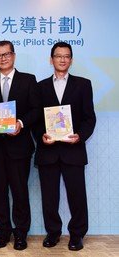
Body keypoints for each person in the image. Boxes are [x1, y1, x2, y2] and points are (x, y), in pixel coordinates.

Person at [0, 40, 40, 250]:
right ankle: (3, 232)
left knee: (20, 192)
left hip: (19, 147)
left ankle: (21, 233)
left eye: (6, 54)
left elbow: (36, 110)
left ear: (13, 56)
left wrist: (20, 123)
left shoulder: (28, 80)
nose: (3, 58)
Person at [34, 42, 96, 251]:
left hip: (73, 150)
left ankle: (77, 235)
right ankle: (53, 233)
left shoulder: (83, 84)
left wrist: (80, 136)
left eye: (66, 56)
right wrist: (40, 136)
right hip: (47, 150)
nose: (62, 59)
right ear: (51, 60)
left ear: (71, 60)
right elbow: (35, 120)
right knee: (49, 196)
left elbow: (90, 118)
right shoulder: (40, 86)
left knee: (77, 196)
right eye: (58, 56)